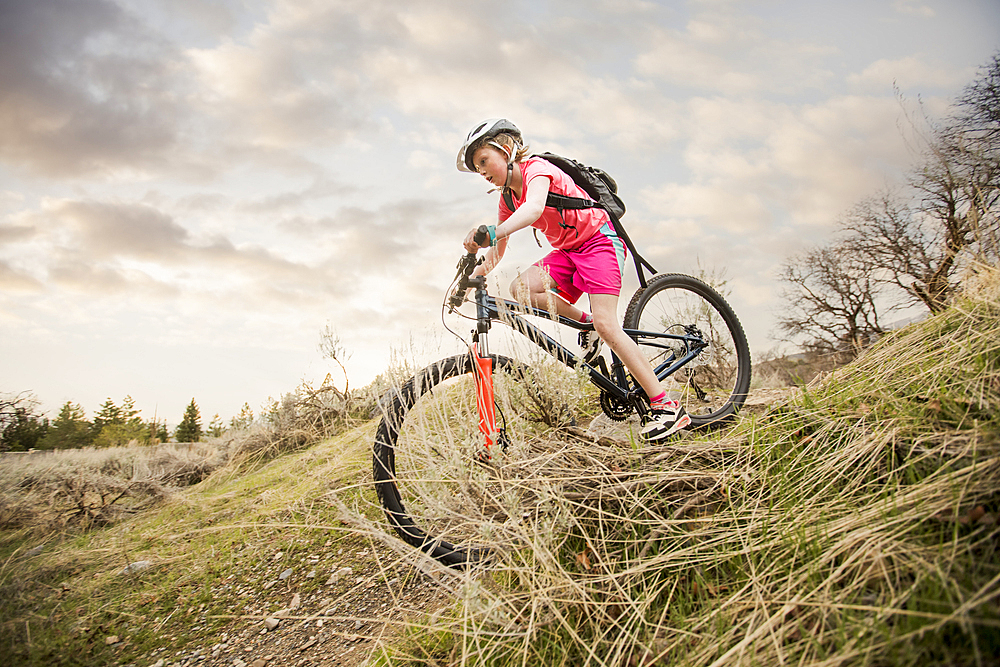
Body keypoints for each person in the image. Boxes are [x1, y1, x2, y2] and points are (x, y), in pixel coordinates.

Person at [456, 118, 690, 441]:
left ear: (506, 148)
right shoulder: (506, 199)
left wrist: (493, 230)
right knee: (521, 288)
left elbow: (536, 208)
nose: (481, 171)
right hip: (568, 253)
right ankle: (589, 324)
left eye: (483, 161)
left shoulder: (536, 169)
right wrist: (471, 276)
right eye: (477, 168)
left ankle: (666, 407)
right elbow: (498, 251)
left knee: (610, 326)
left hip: (598, 241)